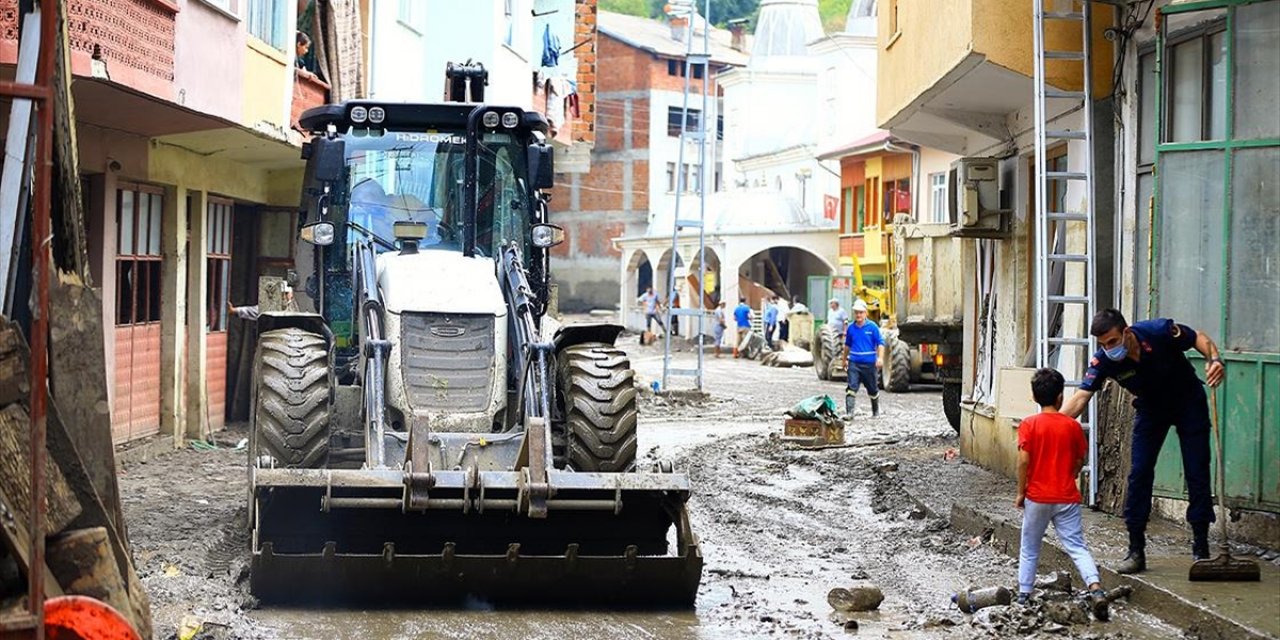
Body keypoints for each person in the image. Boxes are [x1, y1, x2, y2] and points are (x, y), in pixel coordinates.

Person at [1061, 309, 1224, 574]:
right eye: (1103, 344)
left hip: (1188, 403)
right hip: (1151, 410)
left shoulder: (1158, 331)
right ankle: (1136, 550)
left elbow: (1198, 338)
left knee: (1197, 472)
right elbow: (1081, 398)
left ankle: (1201, 548)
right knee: (1139, 473)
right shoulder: (1104, 361)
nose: (1109, 349)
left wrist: (1214, 359)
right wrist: (1049, 424)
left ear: (1126, 332)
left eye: (1112, 341)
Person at [1016, 368, 1109, 619]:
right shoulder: (1072, 426)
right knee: (1077, 546)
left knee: (1030, 547)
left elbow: (1023, 461)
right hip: (1066, 496)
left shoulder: (1029, 425)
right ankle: (1096, 588)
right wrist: (1070, 475)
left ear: (1034, 397)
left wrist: (1021, 492)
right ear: (1060, 397)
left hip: (1037, 497)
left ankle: (1024, 594)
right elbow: (1080, 460)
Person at [842, 299, 883, 418]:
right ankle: (850, 413)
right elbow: (847, 345)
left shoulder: (873, 327)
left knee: (872, 389)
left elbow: (880, 343)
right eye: (856, 313)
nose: (858, 315)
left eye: (861, 312)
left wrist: (880, 358)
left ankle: (875, 411)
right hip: (854, 363)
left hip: (869, 364)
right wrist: (844, 360)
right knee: (851, 387)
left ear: (866, 313)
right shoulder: (851, 328)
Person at [227, 283, 296, 321]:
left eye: (286, 293)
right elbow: (255, 311)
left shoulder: (295, 306)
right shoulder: (273, 306)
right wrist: (235, 310)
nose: (283, 296)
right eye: (281, 294)